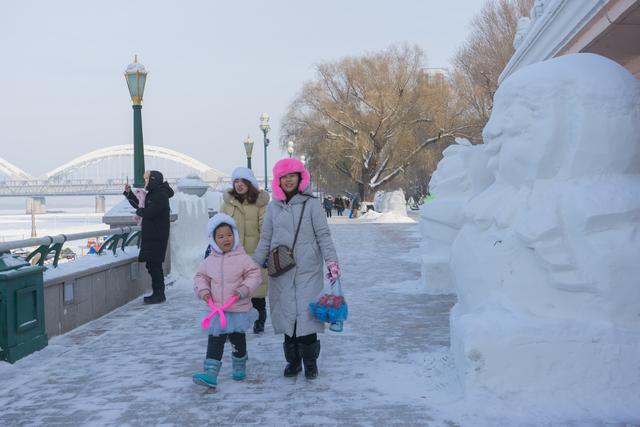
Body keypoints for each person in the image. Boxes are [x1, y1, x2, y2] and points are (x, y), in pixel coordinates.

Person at [253, 158, 340, 380]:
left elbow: (323, 236)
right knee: (288, 317)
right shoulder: (273, 207)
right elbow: (265, 238)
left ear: (300, 178)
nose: (288, 180)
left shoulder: (311, 204)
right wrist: (253, 265)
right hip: (281, 271)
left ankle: (310, 362)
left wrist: (331, 262)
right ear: (278, 181)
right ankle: (293, 362)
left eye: (292, 175)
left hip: (308, 270)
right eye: (284, 177)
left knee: (307, 316)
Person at [192, 213, 262, 388]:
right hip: (217, 309)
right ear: (214, 239)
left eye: (229, 235)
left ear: (235, 236)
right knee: (215, 339)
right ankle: (210, 373)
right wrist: (204, 291)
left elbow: (255, 274)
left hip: (237, 308)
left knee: (238, 339)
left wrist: (244, 289)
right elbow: (200, 277)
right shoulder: (209, 261)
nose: (226, 239)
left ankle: (239, 365)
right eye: (221, 236)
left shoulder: (242, 258)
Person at [220, 167, 270, 334]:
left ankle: (259, 320)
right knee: (231, 292)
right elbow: (219, 227)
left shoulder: (259, 204)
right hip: (232, 256)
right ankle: (232, 325)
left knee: (256, 291)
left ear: (250, 183)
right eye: (236, 182)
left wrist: (262, 252)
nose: (239, 185)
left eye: (243, 181)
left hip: (254, 255)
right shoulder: (228, 204)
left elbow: (266, 228)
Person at [124, 170, 174, 304]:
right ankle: (157, 293)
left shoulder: (160, 195)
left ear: (153, 180)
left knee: (154, 265)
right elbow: (141, 205)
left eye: (147, 179)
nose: (145, 182)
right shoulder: (155, 194)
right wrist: (129, 194)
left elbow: (149, 212)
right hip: (153, 235)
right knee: (152, 265)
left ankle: (159, 294)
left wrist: (140, 212)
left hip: (156, 236)